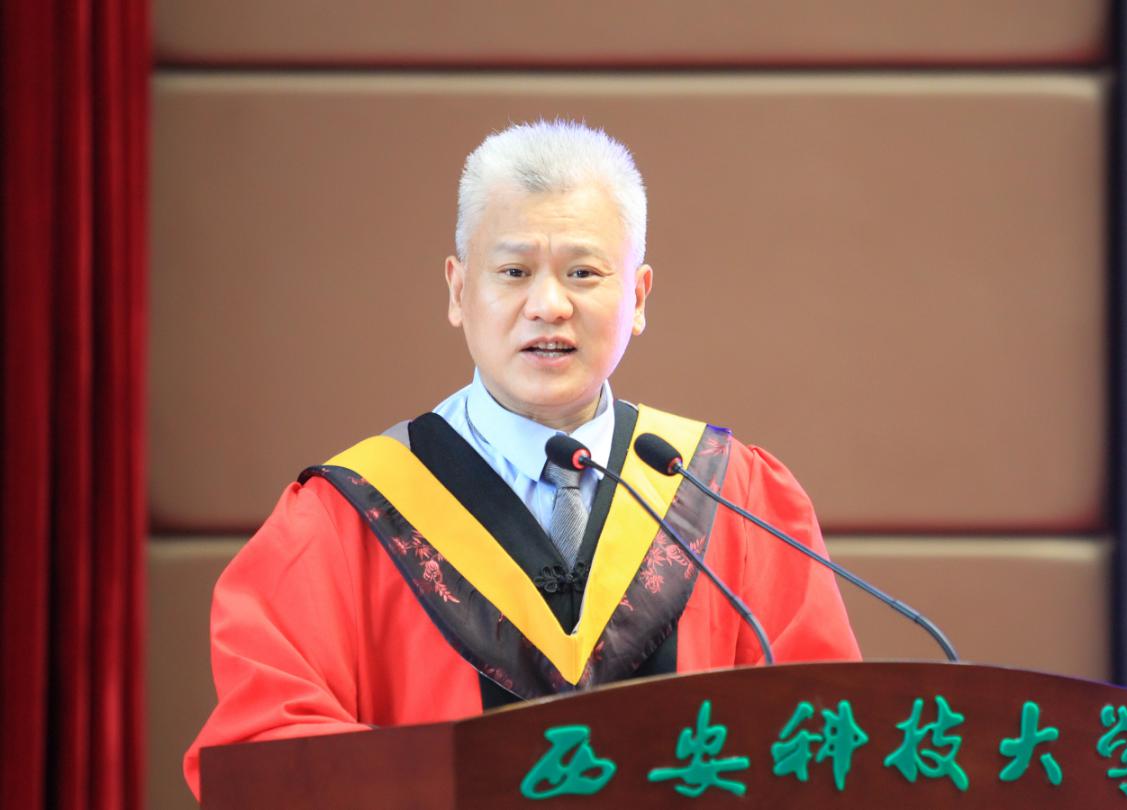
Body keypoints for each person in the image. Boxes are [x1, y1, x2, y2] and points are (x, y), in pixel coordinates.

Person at [183, 120, 859, 799]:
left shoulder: (727, 495)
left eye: (583, 273)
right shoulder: (344, 520)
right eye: (513, 272)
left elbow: (831, 738)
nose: (548, 306)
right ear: (457, 290)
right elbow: (267, 755)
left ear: (637, 297)